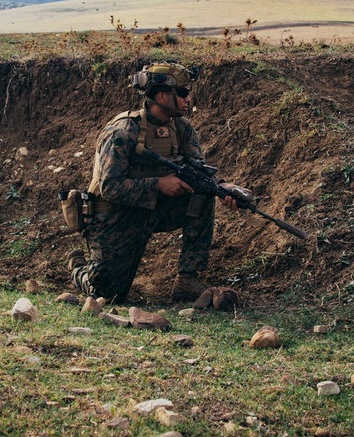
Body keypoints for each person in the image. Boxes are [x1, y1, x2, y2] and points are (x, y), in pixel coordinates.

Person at [67, 61, 241, 302]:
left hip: (150, 211)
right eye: (182, 93)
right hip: (113, 218)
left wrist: (223, 188)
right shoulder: (124, 131)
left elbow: (200, 173)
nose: (188, 99)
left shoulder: (181, 128)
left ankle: (187, 280)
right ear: (161, 95)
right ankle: (78, 267)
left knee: (202, 195)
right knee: (108, 294)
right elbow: (109, 187)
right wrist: (158, 185)